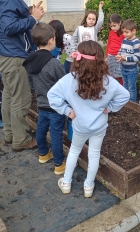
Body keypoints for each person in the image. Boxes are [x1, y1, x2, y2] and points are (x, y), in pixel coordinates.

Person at [48, 41, 129, 197]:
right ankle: (89, 187)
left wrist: (66, 110)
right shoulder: (108, 81)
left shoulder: (70, 79)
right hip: (99, 126)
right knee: (94, 154)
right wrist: (110, 107)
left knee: (74, 151)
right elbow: (125, 95)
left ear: (79, 59)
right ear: (100, 59)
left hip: (79, 126)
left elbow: (52, 95)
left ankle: (66, 183)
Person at [0, 0, 44, 152]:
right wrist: (33, 19)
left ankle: (10, 134)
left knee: (9, 95)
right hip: (12, 55)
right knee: (20, 98)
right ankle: (20, 140)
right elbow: (9, 27)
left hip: (5, 52)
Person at [22, 23, 67, 173]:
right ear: (51, 40)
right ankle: (59, 164)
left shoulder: (30, 61)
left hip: (42, 104)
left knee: (40, 130)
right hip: (56, 107)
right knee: (55, 135)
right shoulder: (54, 63)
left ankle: (43, 154)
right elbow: (65, 84)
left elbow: (31, 83)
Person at [116, 19, 140, 102]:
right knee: (125, 85)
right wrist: (119, 55)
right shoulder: (125, 40)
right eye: (123, 32)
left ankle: (132, 103)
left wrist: (125, 58)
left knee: (132, 88)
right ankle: (126, 101)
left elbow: (138, 57)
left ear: (133, 31)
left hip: (132, 70)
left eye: (126, 32)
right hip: (124, 68)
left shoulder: (136, 42)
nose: (124, 34)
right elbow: (121, 49)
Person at [105, 13, 125, 85]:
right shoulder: (111, 32)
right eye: (111, 26)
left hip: (119, 56)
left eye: (114, 26)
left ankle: (123, 89)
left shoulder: (124, 34)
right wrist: (107, 56)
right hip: (111, 56)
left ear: (120, 23)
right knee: (111, 75)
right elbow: (109, 44)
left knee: (120, 75)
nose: (112, 28)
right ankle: (113, 89)